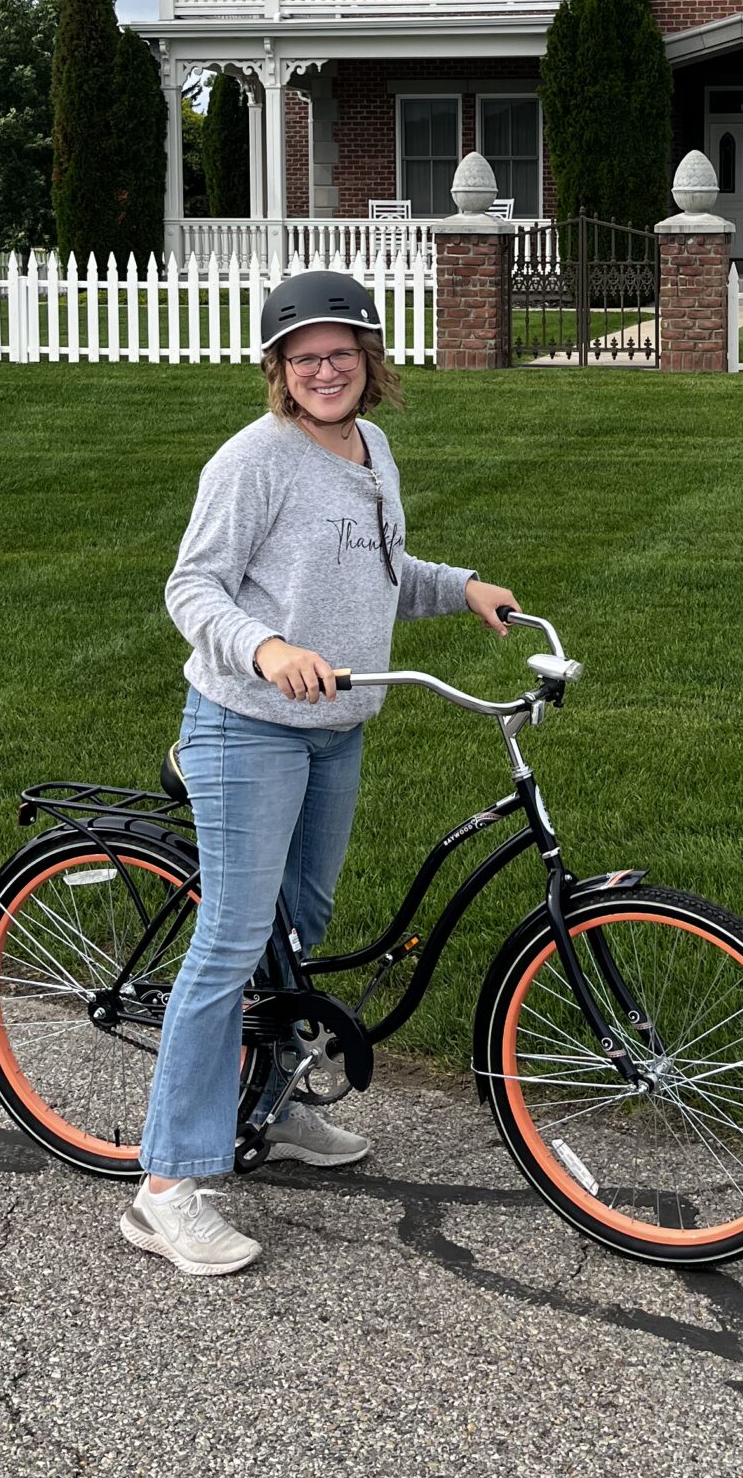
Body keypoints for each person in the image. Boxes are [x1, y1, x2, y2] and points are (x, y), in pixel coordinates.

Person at [121, 268, 516, 1278]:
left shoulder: (372, 448)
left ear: (371, 360)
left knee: (298, 930)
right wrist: (264, 649)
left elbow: (377, 572)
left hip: (336, 727)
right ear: (279, 371)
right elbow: (192, 585)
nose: (324, 369)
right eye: (304, 357)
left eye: (340, 352)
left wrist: (459, 586)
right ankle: (166, 1186)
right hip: (247, 722)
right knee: (233, 939)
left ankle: (274, 1104)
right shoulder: (254, 460)